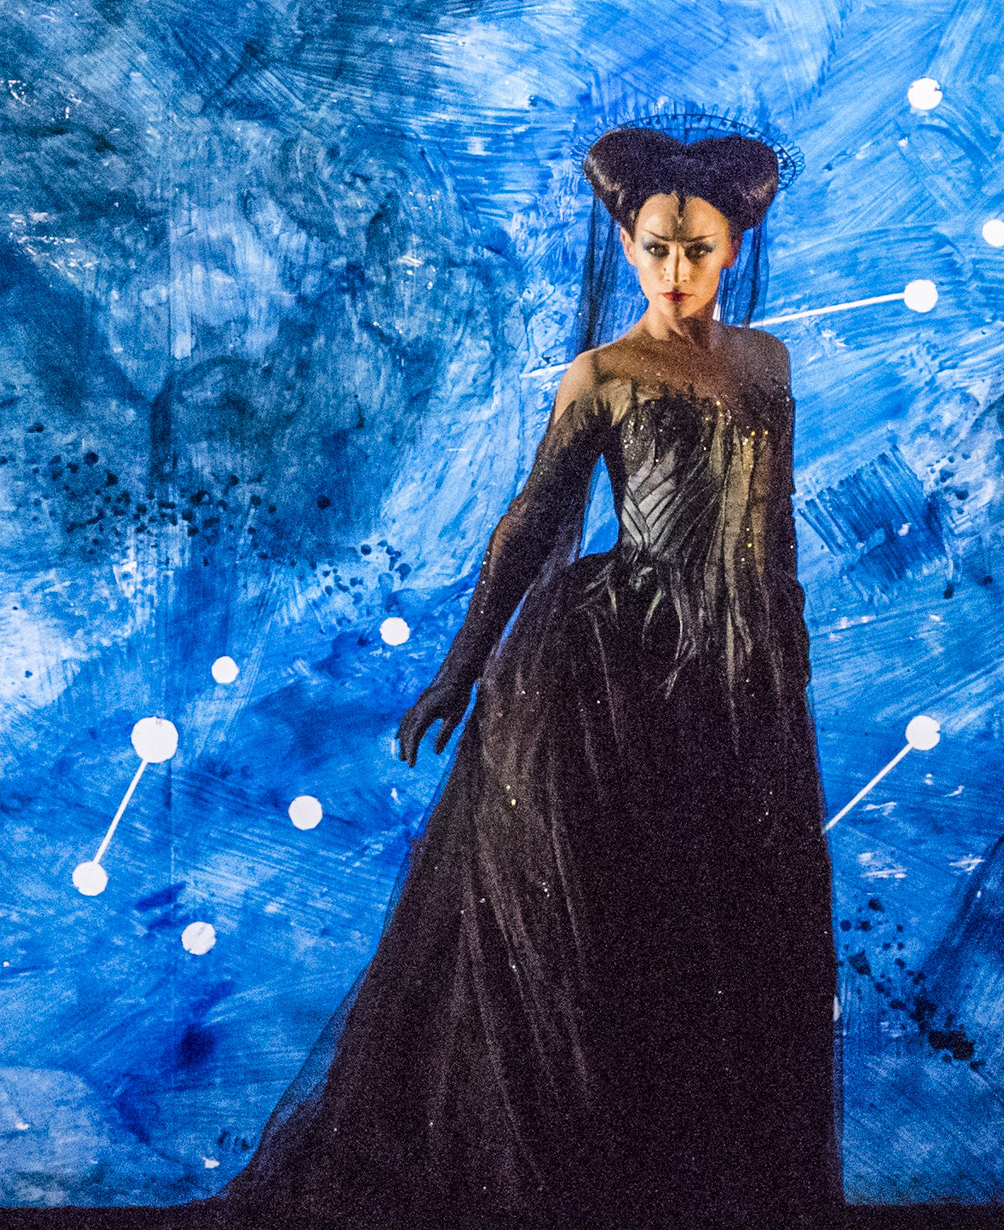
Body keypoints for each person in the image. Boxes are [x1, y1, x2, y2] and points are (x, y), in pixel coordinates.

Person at [227, 126, 838, 1226]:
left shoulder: (767, 366)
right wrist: (458, 668)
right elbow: (529, 524)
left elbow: (773, 521)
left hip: (739, 676)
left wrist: (780, 647)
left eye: (697, 251)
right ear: (628, 246)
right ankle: (584, 1185)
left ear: (733, 250)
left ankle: (703, 1189)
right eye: (656, 249)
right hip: (619, 679)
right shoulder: (604, 376)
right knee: (619, 926)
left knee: (732, 930)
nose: (675, 271)